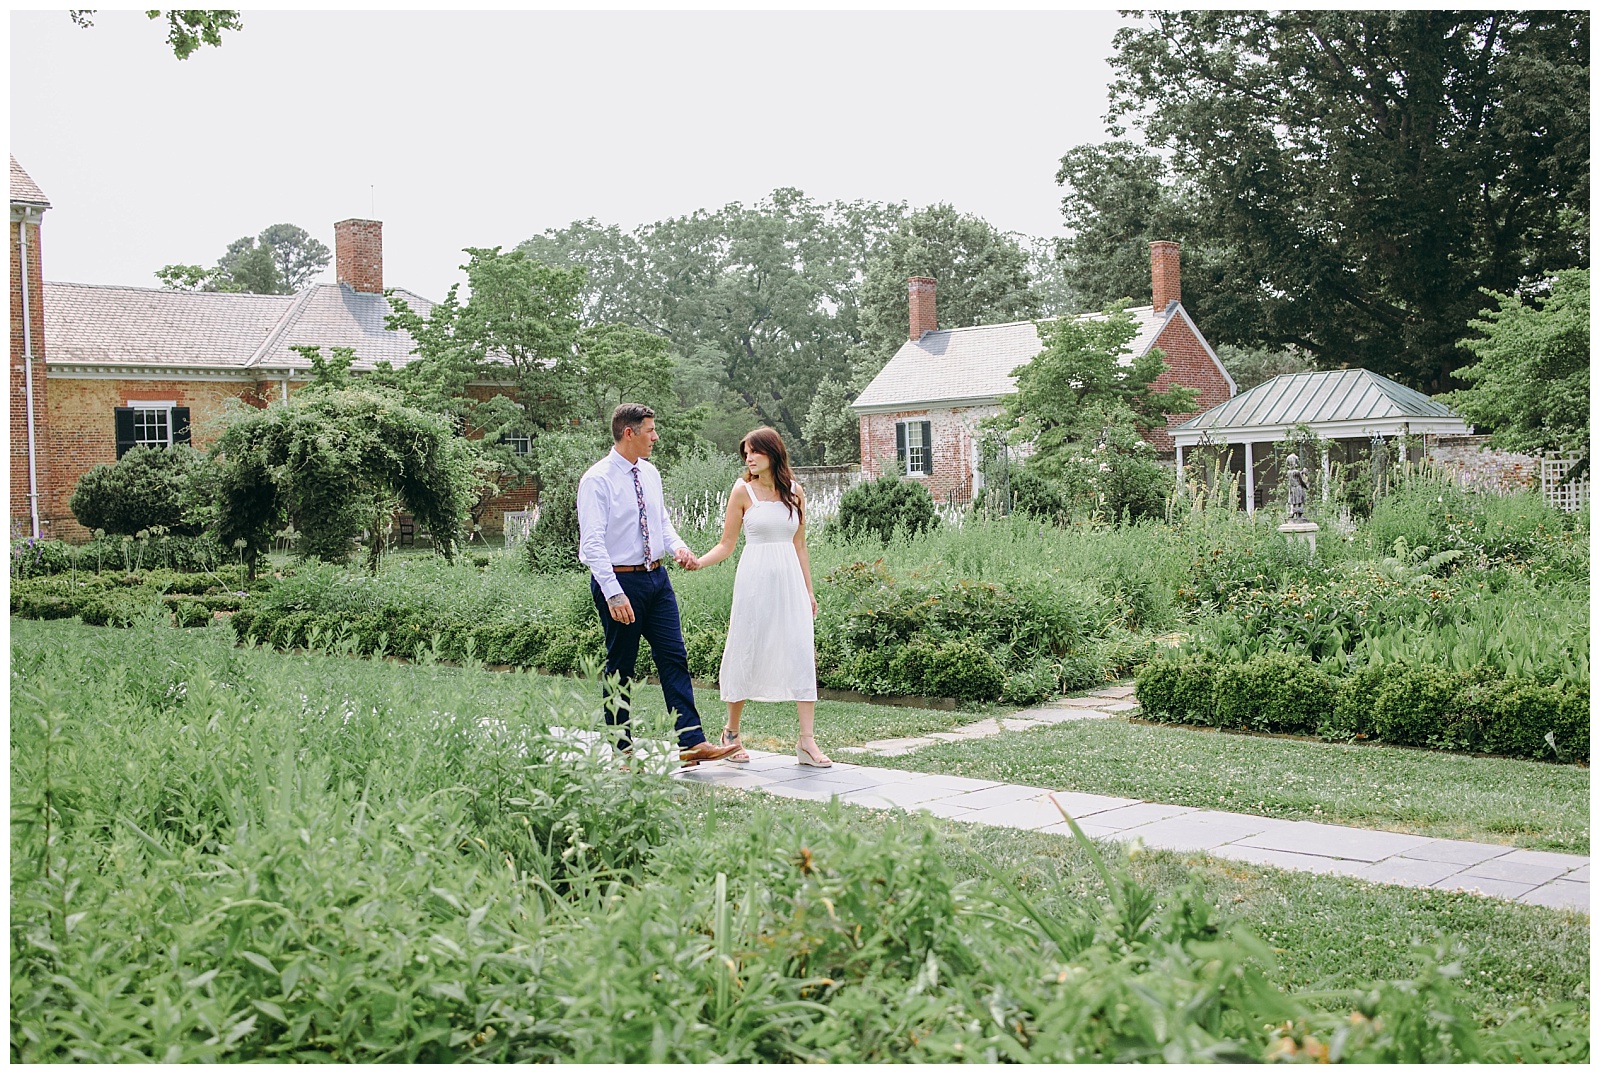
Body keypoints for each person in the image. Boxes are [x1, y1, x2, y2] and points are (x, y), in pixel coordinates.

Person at [576, 403, 741, 766]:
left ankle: (690, 742)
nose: (656, 437)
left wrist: (679, 548)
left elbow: (662, 522)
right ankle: (621, 749)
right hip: (619, 581)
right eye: (650, 430)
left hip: (657, 579)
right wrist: (612, 591)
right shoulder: (597, 479)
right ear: (629, 433)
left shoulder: (650, 473)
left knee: (674, 656)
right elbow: (592, 543)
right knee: (621, 666)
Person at [693, 427, 829, 767]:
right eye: (746, 453)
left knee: (800, 649)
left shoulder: (796, 492)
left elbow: (800, 545)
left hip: (790, 581)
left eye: (755, 452)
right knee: (746, 647)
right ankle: (731, 734)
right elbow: (727, 545)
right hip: (754, 580)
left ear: (773, 453)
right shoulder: (742, 491)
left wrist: (809, 590)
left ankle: (807, 742)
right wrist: (698, 562)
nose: (749, 458)